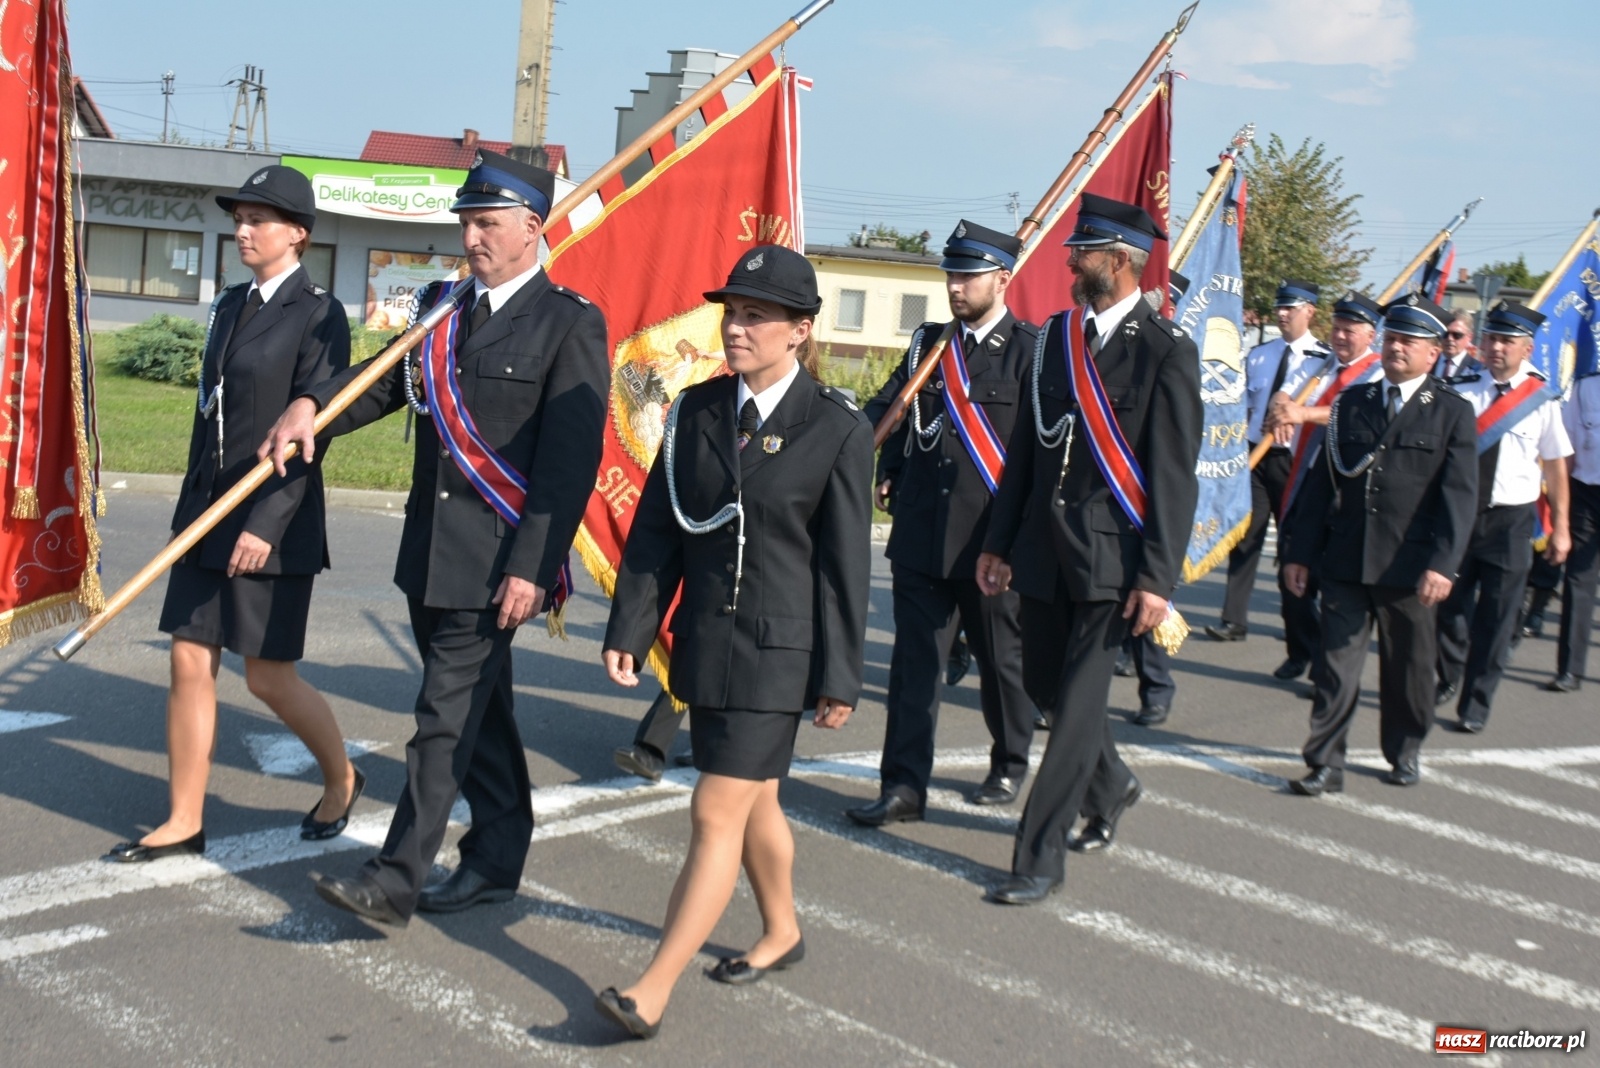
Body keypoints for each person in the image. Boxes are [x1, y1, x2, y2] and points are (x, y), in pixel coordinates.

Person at [260, 149, 608, 925]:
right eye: (466, 223)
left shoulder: (569, 322)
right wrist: (312, 409)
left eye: (487, 223)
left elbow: (567, 466)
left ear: (530, 227)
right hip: (429, 553)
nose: (472, 237)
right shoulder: (442, 308)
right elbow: (383, 383)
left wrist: (533, 568)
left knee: (442, 721)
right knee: (480, 714)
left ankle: (394, 879)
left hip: (495, 564)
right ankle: (496, 858)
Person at [594, 245, 872, 1038]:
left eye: (756, 315)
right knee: (756, 809)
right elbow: (659, 529)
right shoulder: (697, 410)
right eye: (733, 311)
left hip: (780, 656)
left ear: (801, 331)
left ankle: (651, 989)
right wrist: (634, 624)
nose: (737, 326)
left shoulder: (836, 427)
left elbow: (845, 567)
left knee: (717, 809)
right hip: (705, 645)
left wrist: (840, 678)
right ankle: (782, 929)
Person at [107, 167, 358, 864]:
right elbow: (208, 418)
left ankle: (341, 777)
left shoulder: (319, 313)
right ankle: (184, 819)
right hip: (207, 511)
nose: (243, 230)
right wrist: (193, 507)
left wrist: (264, 524)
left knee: (267, 676)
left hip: (269, 516)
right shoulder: (227, 304)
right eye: (240, 217)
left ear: (298, 234)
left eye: (261, 220)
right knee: (189, 660)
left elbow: (317, 429)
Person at [976, 194, 1202, 903]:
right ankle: (1112, 784)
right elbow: (1025, 455)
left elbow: (1172, 476)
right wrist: (1000, 540)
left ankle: (1037, 858)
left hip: (1113, 563)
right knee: (1041, 685)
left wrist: (1157, 577)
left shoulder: (1167, 352)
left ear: (1120, 262)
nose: (1070, 261)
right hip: (1043, 550)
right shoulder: (1053, 339)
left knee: (1073, 713)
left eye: (1084, 252)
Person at [847, 220, 1037, 825]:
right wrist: (882, 459)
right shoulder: (930, 344)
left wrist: (1016, 545)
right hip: (922, 534)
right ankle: (903, 786)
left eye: (968, 275)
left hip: (989, 541)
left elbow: (1034, 452)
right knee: (914, 667)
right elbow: (898, 409)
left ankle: (1009, 760)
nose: (955, 286)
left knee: (1000, 661)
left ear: (1002, 278)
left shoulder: (1031, 352)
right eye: (951, 274)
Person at [1281, 294, 1477, 793]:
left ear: (1433, 353)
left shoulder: (1452, 412)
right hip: (1346, 558)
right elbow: (1320, 485)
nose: (1396, 348)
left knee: (1408, 670)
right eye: (1392, 338)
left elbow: (1460, 497)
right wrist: (1300, 552)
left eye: (1408, 342)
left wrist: (1444, 565)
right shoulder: (1350, 404)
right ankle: (1324, 762)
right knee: (1335, 667)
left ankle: (1404, 749)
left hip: (1409, 567)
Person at [1435, 301, 1571, 731]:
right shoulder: (1461, 388)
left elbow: (1554, 465)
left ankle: (1476, 704)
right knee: (1448, 608)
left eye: (1506, 341)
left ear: (1526, 348)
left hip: (1510, 521)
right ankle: (1450, 671)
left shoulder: (1542, 398)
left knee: (1496, 618)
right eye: (1491, 338)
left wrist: (1561, 527)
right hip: (1460, 516)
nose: (1496, 347)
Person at [1261, 291, 1386, 681]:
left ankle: (1326, 670)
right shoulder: (1319, 365)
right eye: (1336, 328)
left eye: (1350, 330)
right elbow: (1285, 391)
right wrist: (1281, 407)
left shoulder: (1378, 374)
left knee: (1332, 587)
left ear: (1370, 336)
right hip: (1305, 483)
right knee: (1292, 575)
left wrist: (1303, 413)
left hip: (1345, 490)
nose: (1340, 336)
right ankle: (1302, 650)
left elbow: (1349, 414)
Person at [1206, 281, 1326, 683]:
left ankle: (1302, 646)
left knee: (1293, 553)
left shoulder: (1323, 362)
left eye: (1290, 307)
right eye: (1278, 307)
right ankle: (1233, 619)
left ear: (1309, 310)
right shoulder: (1258, 356)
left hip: (1295, 465)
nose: (1281, 314)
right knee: (1245, 536)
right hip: (1255, 456)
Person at [1549, 370, 1600, 692]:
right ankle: (1570, 669)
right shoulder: (1584, 385)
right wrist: (1561, 515)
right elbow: (1566, 448)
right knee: (1578, 581)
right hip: (1586, 493)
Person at [1435, 309, 1484, 379]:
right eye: (1445, 333)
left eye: (1457, 335)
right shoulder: (1427, 362)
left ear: (1469, 337)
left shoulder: (1478, 370)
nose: (1450, 338)